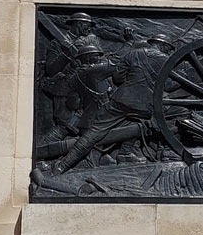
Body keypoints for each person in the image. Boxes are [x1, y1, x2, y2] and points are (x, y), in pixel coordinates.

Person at [51, 34, 175, 174]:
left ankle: (63, 166)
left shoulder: (133, 54)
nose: (169, 52)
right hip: (145, 106)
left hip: (121, 99)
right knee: (152, 119)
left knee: (94, 133)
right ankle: (127, 153)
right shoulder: (168, 60)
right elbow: (169, 85)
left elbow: (117, 77)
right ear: (164, 46)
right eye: (169, 49)